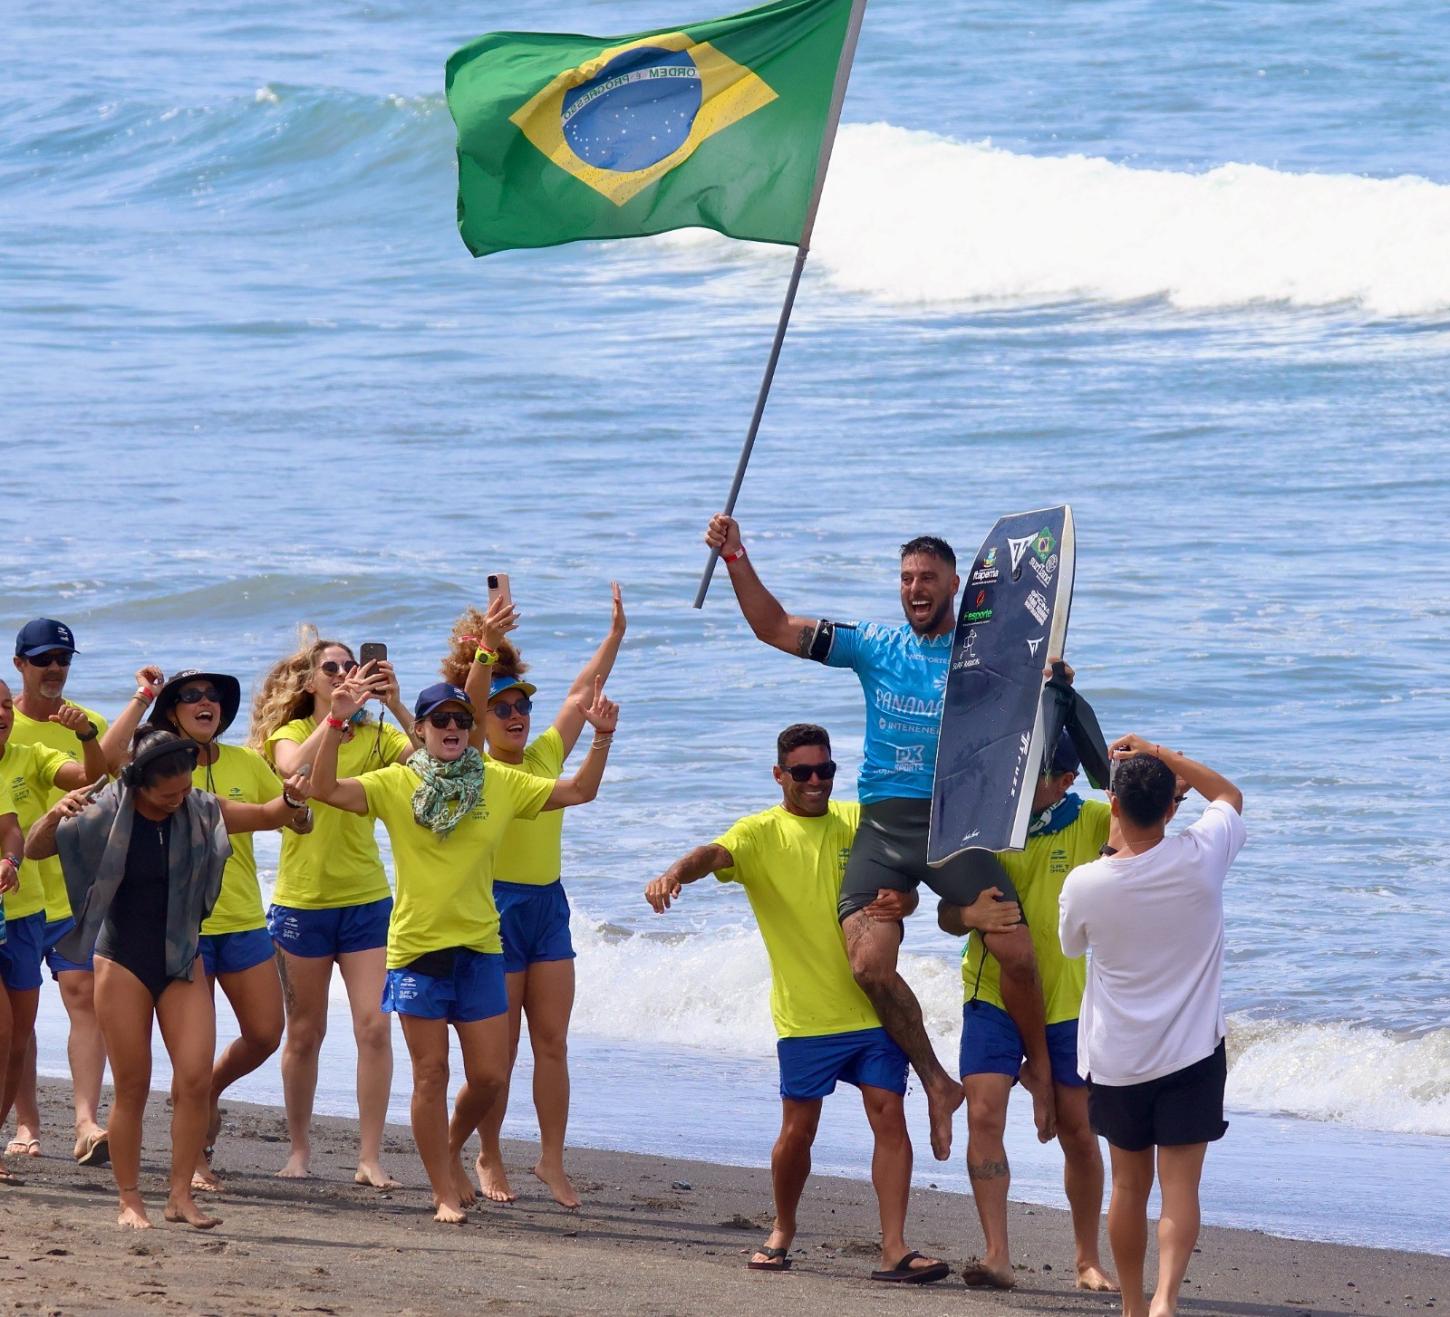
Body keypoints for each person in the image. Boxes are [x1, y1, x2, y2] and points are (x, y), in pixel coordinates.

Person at [703, 514, 1056, 1157]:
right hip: (886, 827)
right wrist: (736, 556)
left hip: (956, 825)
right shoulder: (874, 645)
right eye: (905, 579)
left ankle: (1041, 1072)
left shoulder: (984, 654)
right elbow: (773, 628)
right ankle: (937, 1082)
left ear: (956, 583)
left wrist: (1053, 681)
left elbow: (1036, 692)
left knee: (1019, 955)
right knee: (868, 964)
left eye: (927, 577)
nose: (915, 588)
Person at [308, 667, 619, 1224]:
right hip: (417, 950)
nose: (452, 727)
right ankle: (443, 1192)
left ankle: (451, 1149)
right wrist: (335, 720)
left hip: (480, 946)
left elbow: (580, 791)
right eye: (440, 720)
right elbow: (322, 788)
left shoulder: (498, 782)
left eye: (460, 720)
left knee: (491, 1076)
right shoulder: (394, 783)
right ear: (421, 730)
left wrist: (600, 738)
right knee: (431, 1073)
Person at [645, 724, 949, 1283]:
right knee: (798, 1132)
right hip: (806, 1019)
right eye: (803, 772)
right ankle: (783, 1228)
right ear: (779, 774)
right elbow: (713, 854)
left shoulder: (860, 823)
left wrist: (904, 897)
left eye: (825, 770)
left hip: (874, 1010)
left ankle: (895, 1249)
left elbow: (909, 881)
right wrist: (672, 874)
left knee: (889, 1116)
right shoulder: (760, 833)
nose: (815, 781)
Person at [24, 726, 311, 1231]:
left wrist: (291, 797)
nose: (180, 796)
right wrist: (53, 814)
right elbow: (35, 848)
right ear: (139, 784)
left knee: (196, 1079)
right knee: (134, 1085)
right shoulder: (106, 811)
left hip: (182, 957)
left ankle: (180, 1197)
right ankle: (130, 1199)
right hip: (122, 960)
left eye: (185, 784)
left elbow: (269, 817)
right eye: (168, 790)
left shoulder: (200, 807)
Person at [440, 582, 625, 1209]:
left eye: (521, 707)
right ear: (479, 722)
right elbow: (464, 708)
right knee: (503, 1051)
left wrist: (615, 637)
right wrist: (485, 650)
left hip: (549, 907)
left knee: (552, 1040)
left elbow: (579, 694)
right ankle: (485, 1151)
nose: (516, 717)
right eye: (502, 709)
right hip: (495, 908)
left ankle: (550, 1158)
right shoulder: (474, 768)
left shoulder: (545, 753)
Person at [1058, 738, 1245, 1317]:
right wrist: (1163, 753)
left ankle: (1134, 1307)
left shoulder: (1086, 883)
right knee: (1180, 1189)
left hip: (1119, 1059)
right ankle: (1167, 1298)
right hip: (1192, 1053)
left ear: (1112, 803)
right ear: (1171, 807)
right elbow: (1229, 795)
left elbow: (1070, 947)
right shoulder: (1201, 855)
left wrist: (1127, 824)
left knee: (1129, 1187)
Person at [103, 667, 305, 1190]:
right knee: (183, 1056)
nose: (205, 703)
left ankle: (208, 1089)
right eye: (191, 696)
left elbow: (274, 812)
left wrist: (297, 808)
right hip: (178, 933)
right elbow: (105, 766)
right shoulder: (147, 770)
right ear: (172, 712)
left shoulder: (244, 762)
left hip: (240, 920)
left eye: (212, 697)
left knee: (265, 1032)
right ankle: (192, 1164)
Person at [939, 732, 1117, 1292]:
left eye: (1037, 772)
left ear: (1064, 780)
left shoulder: (1090, 820)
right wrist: (967, 914)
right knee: (984, 1113)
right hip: (988, 991)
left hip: (1068, 1000)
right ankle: (997, 1255)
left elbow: (1144, 821)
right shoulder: (986, 822)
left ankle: (1087, 1259)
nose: (1019, 778)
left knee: (1078, 1132)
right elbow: (945, 913)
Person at [250, 631, 415, 1187]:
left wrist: (393, 701)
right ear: (311, 680)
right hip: (302, 903)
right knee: (304, 1032)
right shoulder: (295, 730)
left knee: (374, 1027)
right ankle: (299, 1150)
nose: (344, 673)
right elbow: (291, 765)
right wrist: (336, 719)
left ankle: (369, 1157)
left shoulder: (378, 735)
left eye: (352, 665)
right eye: (331, 668)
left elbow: (436, 761)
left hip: (366, 899)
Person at [6, 619, 112, 1167]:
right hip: (16, 896)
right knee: (20, 1019)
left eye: (64, 660)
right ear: (20, 663)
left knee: (82, 998)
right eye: (44, 659)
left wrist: (90, 735)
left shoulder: (85, 722)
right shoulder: (6, 724)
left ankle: (87, 1122)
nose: (55, 669)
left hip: (73, 892)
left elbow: (101, 781)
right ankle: (26, 1122)